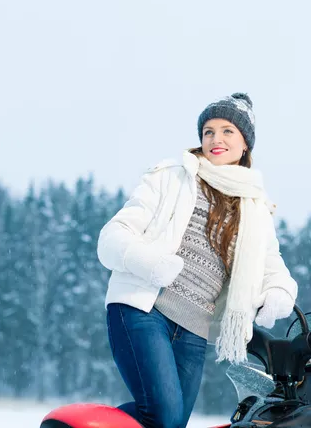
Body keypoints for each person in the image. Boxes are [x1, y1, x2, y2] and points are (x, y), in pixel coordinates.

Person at [97, 92, 297, 428]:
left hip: (194, 328)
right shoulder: (172, 177)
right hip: (145, 311)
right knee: (164, 415)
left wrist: (279, 291)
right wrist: (151, 263)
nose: (216, 139)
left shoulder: (255, 205)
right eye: (208, 131)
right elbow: (112, 238)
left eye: (227, 131)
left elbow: (271, 264)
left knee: (170, 423)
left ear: (245, 143)